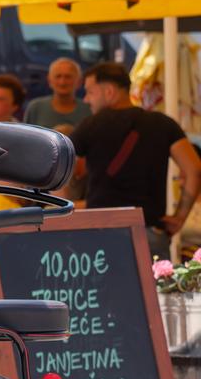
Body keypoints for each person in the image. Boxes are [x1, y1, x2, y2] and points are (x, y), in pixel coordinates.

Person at [72, 61, 201, 258]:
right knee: (153, 289)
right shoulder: (163, 124)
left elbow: (63, 172)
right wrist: (180, 217)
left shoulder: (88, 125)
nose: (86, 99)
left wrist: (66, 208)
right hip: (149, 231)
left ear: (109, 91)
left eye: (90, 92)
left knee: (106, 289)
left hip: (100, 231)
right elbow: (194, 169)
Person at [23, 58, 91, 133]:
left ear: (79, 81)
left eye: (68, 77)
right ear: (49, 80)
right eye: (58, 76)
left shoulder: (89, 109)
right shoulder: (35, 108)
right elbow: (26, 139)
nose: (62, 82)